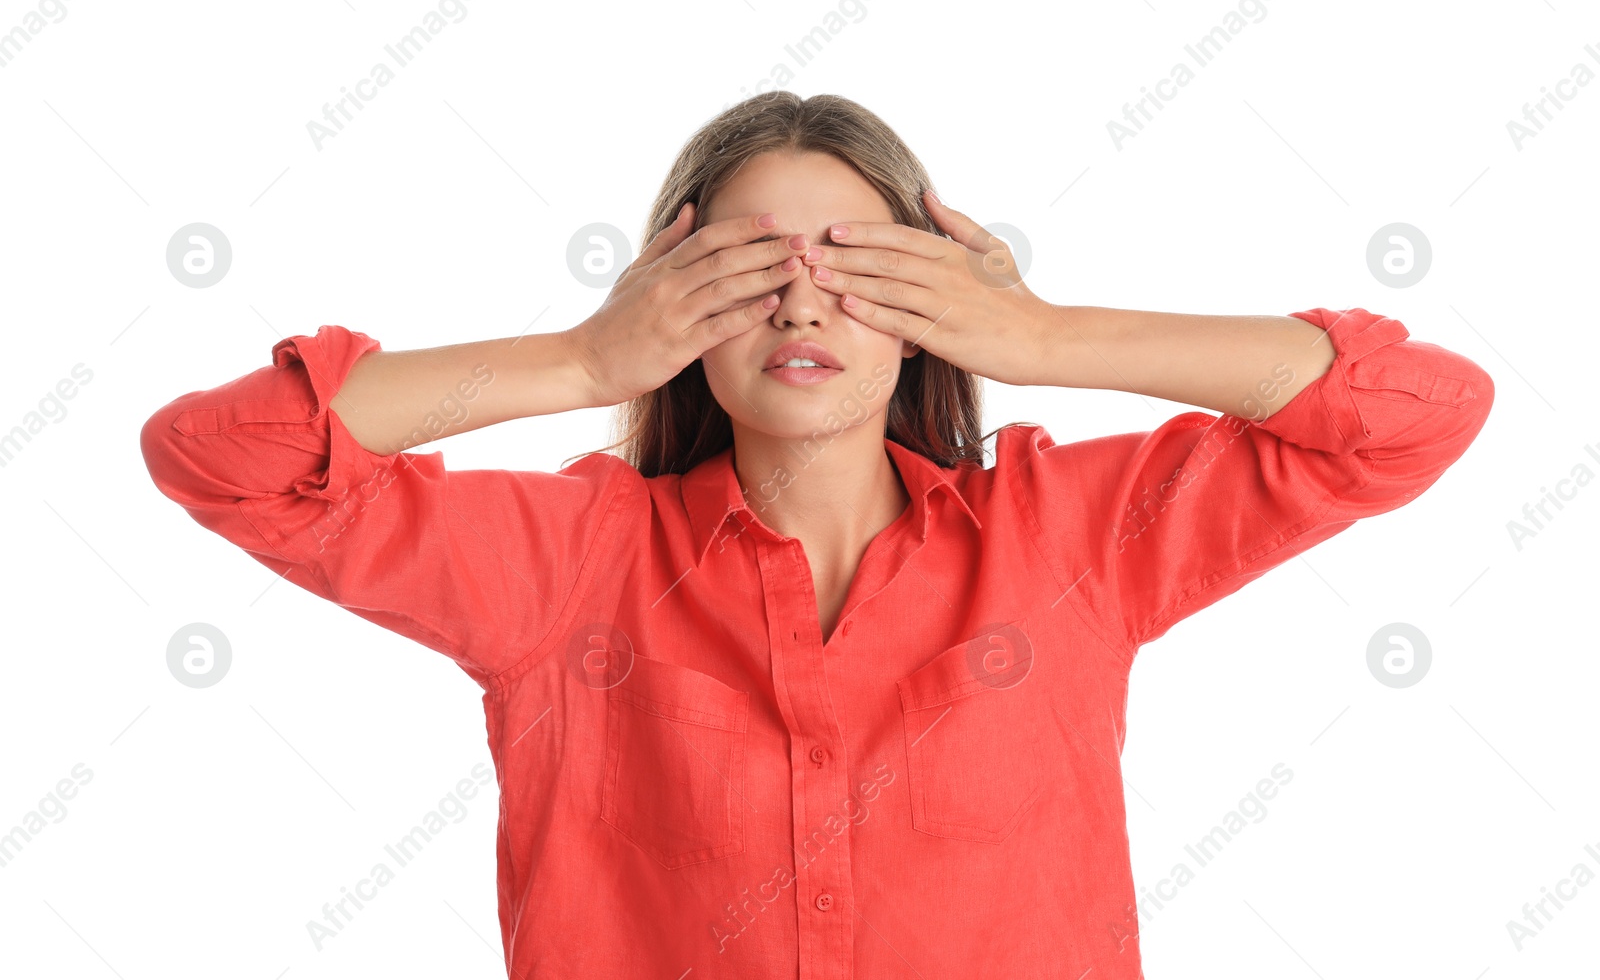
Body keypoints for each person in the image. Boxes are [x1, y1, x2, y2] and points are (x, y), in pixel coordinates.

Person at [140, 91, 1494, 978]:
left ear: (928, 300)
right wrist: (586, 355)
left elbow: (1415, 413)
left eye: (854, 265)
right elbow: (222, 455)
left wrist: (1041, 338)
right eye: (744, 267)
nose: (801, 306)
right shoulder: (567, 561)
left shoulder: (1070, 536)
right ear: (673, 295)